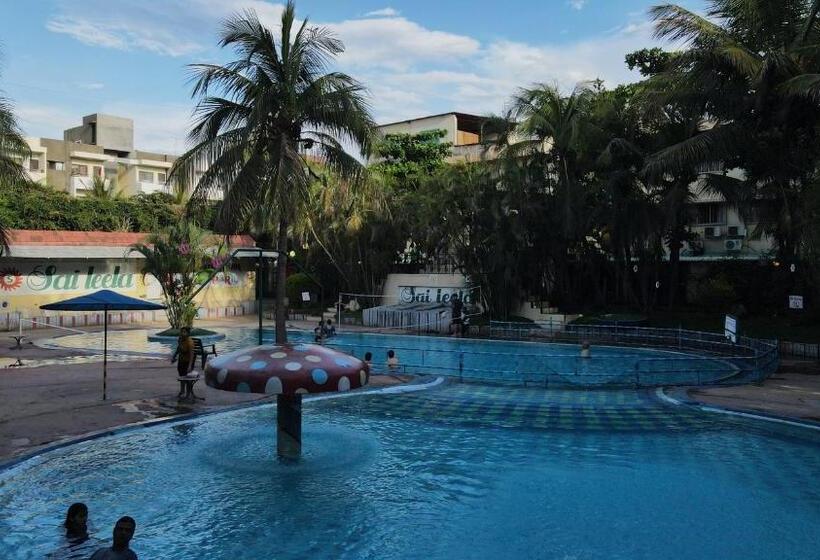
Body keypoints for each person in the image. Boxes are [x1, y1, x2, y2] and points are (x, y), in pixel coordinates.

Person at [171, 327, 195, 398]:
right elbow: (178, 349)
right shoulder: (180, 339)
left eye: (184, 332)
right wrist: (174, 356)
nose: (182, 333)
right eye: (181, 332)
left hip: (188, 362)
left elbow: (192, 355)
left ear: (188, 333)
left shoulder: (190, 342)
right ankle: (182, 391)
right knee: (181, 377)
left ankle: (188, 393)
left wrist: (190, 366)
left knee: (187, 379)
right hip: (181, 361)